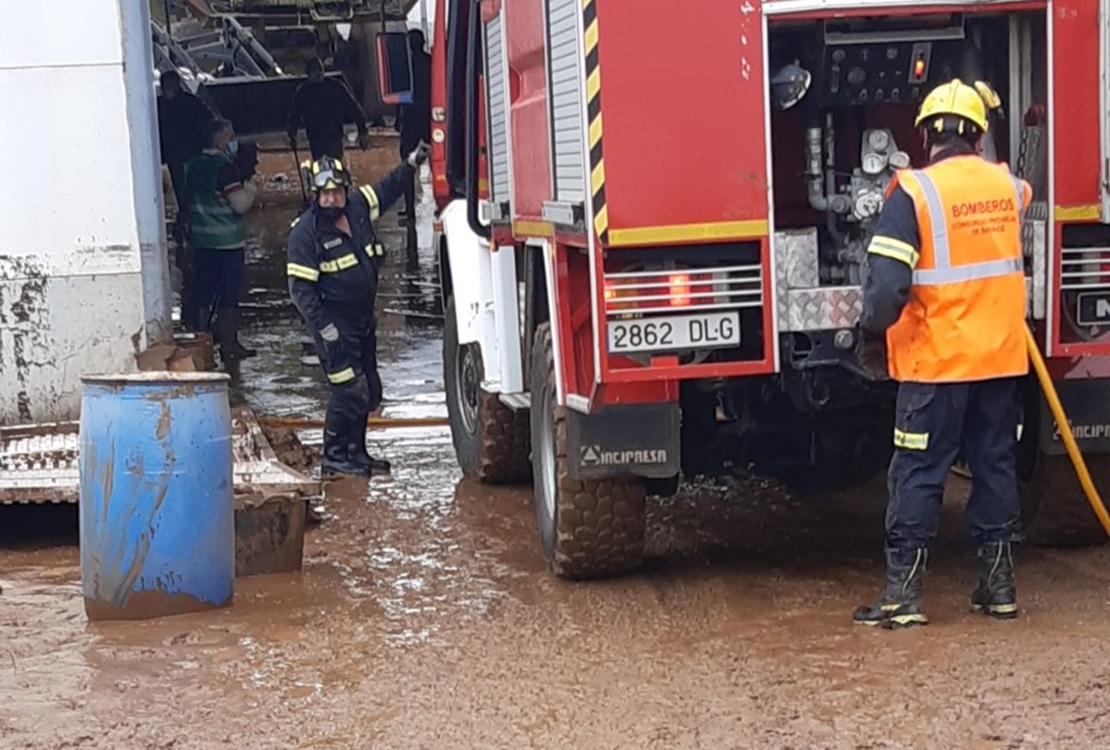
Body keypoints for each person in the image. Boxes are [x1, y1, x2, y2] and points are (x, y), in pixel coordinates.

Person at [852, 79, 1032, 629]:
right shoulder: (1008, 188)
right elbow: (1014, 200)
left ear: (926, 133)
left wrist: (869, 335)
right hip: (999, 363)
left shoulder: (913, 192)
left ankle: (904, 596)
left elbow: (887, 288)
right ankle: (998, 588)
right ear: (978, 135)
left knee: (919, 473)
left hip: (936, 364)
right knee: (994, 467)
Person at [286, 143, 430, 477]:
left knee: (368, 389)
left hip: (363, 321)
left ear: (345, 190)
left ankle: (357, 453)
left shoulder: (358, 207)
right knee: (346, 389)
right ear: (314, 195)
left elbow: (388, 188)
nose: (331, 199)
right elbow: (300, 290)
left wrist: (411, 165)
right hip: (333, 326)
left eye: (336, 192)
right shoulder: (305, 234)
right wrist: (325, 329)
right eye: (324, 194)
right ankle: (334, 457)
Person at [184, 118, 259, 366]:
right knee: (228, 295)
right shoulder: (225, 168)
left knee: (203, 293)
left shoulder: (192, 166)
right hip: (227, 243)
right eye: (230, 136)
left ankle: (201, 346)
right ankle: (229, 346)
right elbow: (240, 204)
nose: (233, 142)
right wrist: (250, 186)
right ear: (218, 139)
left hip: (201, 241)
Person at [157, 70, 216, 221]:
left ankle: (196, 215)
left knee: (195, 187)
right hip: (173, 155)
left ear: (178, 84)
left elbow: (208, 118)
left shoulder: (190, 102)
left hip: (192, 153)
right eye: (166, 85)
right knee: (181, 190)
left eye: (172, 84)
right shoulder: (158, 105)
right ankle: (187, 215)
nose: (169, 88)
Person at [287, 58, 370, 160]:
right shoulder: (303, 92)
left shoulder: (335, 87)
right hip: (316, 139)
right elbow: (294, 115)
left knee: (335, 164)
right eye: (314, 70)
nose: (318, 73)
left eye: (319, 69)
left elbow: (353, 107)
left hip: (334, 136)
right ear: (308, 74)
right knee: (320, 166)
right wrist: (292, 136)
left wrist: (362, 131)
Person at [396, 29, 432, 224]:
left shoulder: (405, 66)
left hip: (410, 121)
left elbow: (399, 95)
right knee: (436, 161)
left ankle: (409, 211)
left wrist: (397, 119)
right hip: (429, 118)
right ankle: (442, 205)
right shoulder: (431, 62)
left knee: (408, 165)